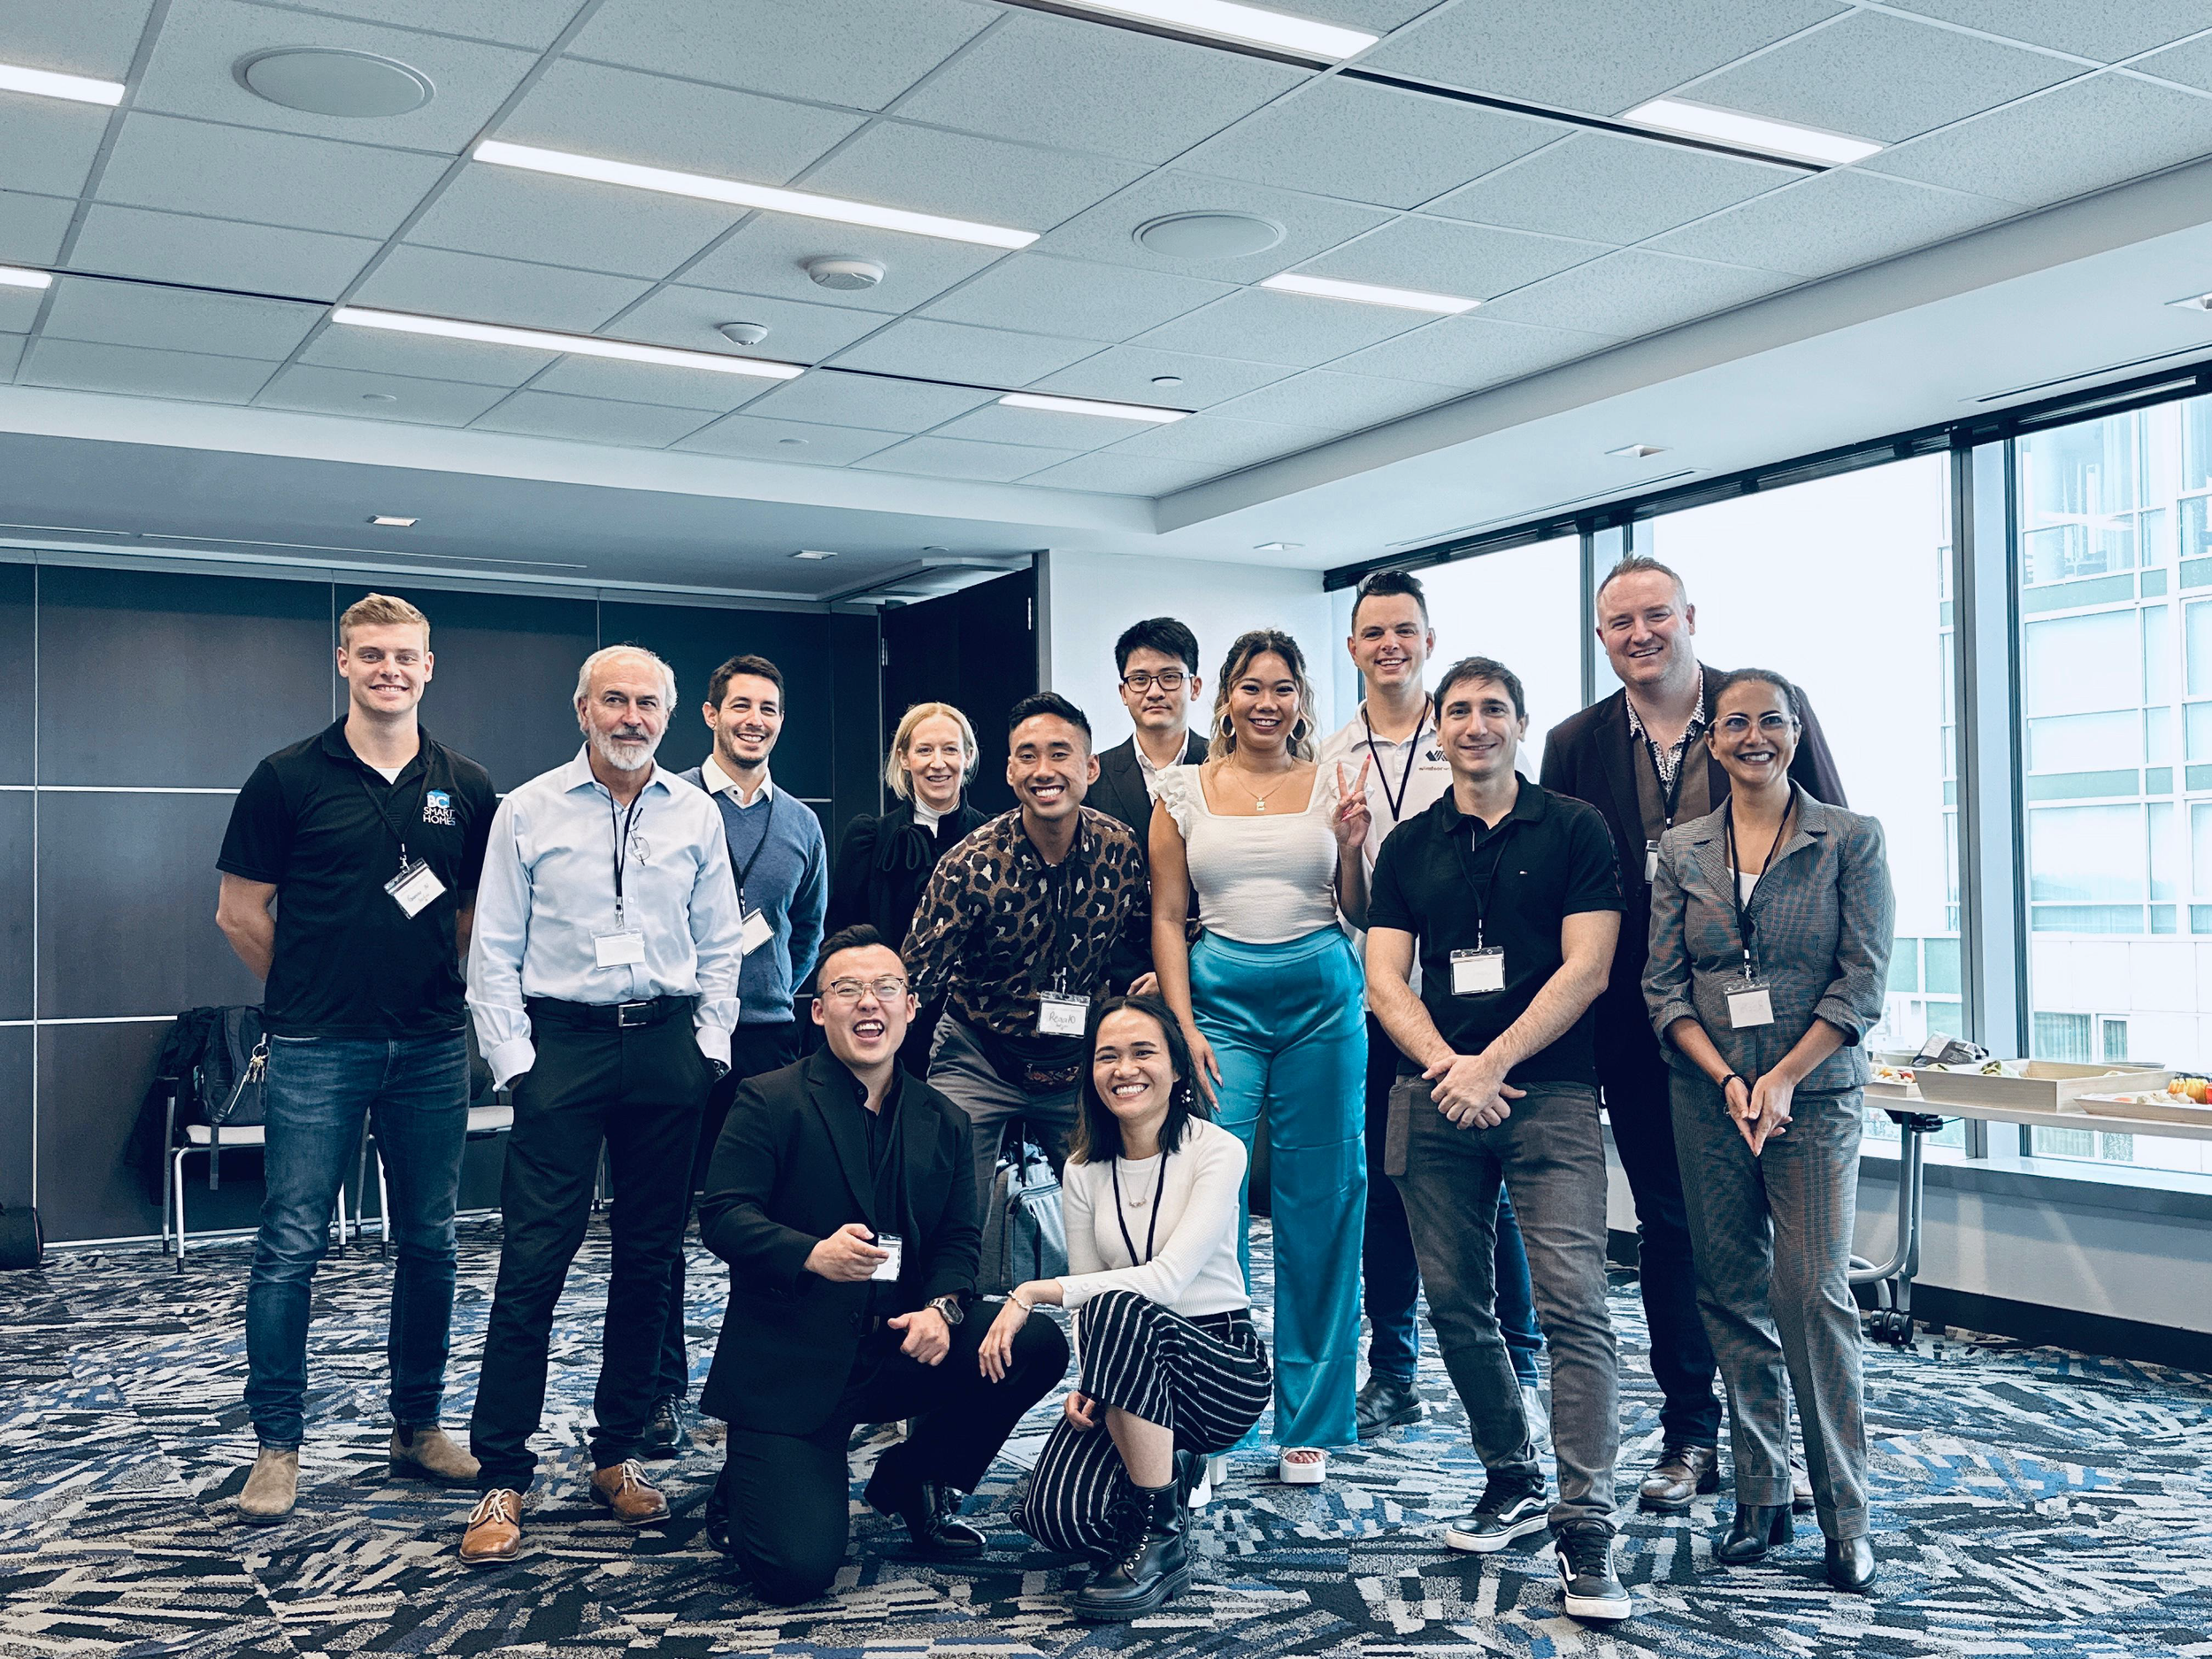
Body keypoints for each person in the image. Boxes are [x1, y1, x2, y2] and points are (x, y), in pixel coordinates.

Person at [1540, 554, 1846, 1516]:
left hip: (1779, 1036)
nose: (1641, 634)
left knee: (1795, 1257)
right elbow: (1565, 882)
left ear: (1689, 617)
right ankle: (1691, 1433)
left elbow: (1830, 846)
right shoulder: (1574, 742)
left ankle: (1795, 1448)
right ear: (1602, 637)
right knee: (1672, 1229)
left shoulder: (1761, 710)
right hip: (1648, 1024)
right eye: (1621, 622)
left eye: (1657, 615)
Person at [457, 645, 743, 1566]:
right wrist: (518, 1064)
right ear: (582, 709)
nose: (631, 717)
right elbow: (493, 947)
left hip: (666, 1047)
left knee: (650, 1262)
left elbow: (720, 943)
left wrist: (707, 1047)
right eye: (613, 700)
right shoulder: (528, 809)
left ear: (668, 715)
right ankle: (502, 1473)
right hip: (564, 1048)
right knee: (533, 1262)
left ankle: (617, 1453)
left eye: (647, 703)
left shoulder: (695, 812)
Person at [215, 593, 496, 1523]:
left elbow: (471, 914)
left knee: (431, 1241)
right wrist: (311, 988)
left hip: (430, 1045)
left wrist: (411, 980)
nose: (389, 669)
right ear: (343, 662)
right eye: (371, 654)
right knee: (291, 1244)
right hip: (314, 1046)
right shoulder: (286, 777)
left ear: (429, 667)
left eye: (405, 655)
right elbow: (239, 913)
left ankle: (418, 1426)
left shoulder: (467, 784)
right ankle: (277, 1446)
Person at [1366, 655, 1632, 1624]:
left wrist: (1494, 1063)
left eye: (1493, 709)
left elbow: (1587, 967)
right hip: (1432, 1095)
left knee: (1574, 1309)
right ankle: (1510, 1474)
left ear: (1520, 723)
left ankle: (1587, 1526)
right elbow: (1384, 978)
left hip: (1549, 1093)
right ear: (1436, 727)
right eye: (1458, 711)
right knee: (1454, 1305)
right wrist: (1451, 1066)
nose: (1475, 724)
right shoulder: (1407, 845)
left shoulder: (1574, 828)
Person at [695, 925, 1069, 1605]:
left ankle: (912, 1476)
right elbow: (722, 1215)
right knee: (797, 1571)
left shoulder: (945, 1116)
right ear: (818, 1009)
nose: (869, 1001)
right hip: (793, 1364)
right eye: (848, 989)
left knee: (1034, 1341)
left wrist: (942, 1309)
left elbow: (958, 1240)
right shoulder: (769, 1098)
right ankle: (746, 1480)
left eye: (886, 987)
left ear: (910, 1005)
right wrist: (811, 1253)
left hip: (894, 1348)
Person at [1644, 669, 1893, 1595]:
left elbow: (1860, 983)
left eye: (1771, 722)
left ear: (1795, 730)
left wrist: (1781, 1078)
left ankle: (1845, 1515)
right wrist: (1726, 1078)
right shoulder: (1683, 847)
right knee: (1729, 1294)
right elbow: (1663, 984)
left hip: (1814, 1097)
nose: (1754, 737)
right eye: (1735, 723)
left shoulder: (1850, 839)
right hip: (1707, 1095)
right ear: (1711, 740)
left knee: (1810, 1292)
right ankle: (1760, 1498)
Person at [1318, 569, 1547, 1442]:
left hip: (1485, 1019)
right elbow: (1350, 909)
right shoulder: (1334, 756)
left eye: (1404, 630)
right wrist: (1348, 851)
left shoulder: (1471, 734)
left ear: (1428, 639)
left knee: (1499, 1194)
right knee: (1388, 1192)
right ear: (1353, 647)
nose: (1390, 646)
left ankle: (1522, 1368)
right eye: (1374, 633)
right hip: (1387, 1013)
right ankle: (1394, 1371)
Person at [1149, 629, 1371, 1482]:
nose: (1267, 702)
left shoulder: (1333, 780)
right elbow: (1167, 915)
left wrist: (1351, 845)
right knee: (1211, 1203)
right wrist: (1183, 1024)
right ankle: (1218, 1414)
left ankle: (1309, 1420)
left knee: (1325, 1199)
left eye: (1282, 688)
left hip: (1324, 998)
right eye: (1252, 687)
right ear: (1226, 698)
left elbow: (1357, 909)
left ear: (1300, 699)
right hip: (1220, 1007)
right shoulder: (1181, 789)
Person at [988, 995, 1270, 1621]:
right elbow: (1089, 1296)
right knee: (1056, 1518)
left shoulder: (1218, 1149)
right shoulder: (1082, 1168)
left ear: (1177, 1067)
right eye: (1107, 1056)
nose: (1124, 1069)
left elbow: (1166, 1281)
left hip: (1219, 1366)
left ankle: (1160, 1537)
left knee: (1119, 1303)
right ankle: (1166, 1468)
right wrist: (1092, 1381)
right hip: (1127, 1360)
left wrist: (1031, 1290)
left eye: (1143, 1052)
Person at [651, 653, 828, 1456]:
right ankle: (659, 1388)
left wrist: (769, 990)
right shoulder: (669, 803)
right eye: (741, 706)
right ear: (711, 714)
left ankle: (762, 1381)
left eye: (769, 709)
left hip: (766, 1038)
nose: (755, 720)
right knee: (661, 1221)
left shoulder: (801, 823)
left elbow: (808, 930)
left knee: (774, 1220)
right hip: (677, 1031)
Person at [906, 692, 1154, 1213]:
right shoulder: (969, 863)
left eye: (1060, 754)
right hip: (978, 1055)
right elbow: (916, 979)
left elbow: (1149, 935)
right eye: (1028, 756)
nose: (1044, 771)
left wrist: (1162, 975)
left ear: (1090, 767)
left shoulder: (1121, 849)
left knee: (1113, 1209)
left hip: (1078, 1061)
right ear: (1009, 772)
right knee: (946, 1206)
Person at [826, 702, 987, 1074]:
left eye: (950, 749)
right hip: (882, 1026)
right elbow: (840, 938)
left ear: (968, 756)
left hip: (974, 1038)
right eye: (924, 750)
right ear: (904, 758)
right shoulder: (869, 839)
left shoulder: (995, 841)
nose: (938, 763)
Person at [1088, 618, 1209, 852]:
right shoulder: (1094, 775)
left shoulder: (1223, 764)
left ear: (1195, 687)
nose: (1154, 692)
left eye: (1170, 677)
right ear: (1124, 693)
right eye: (1140, 679)